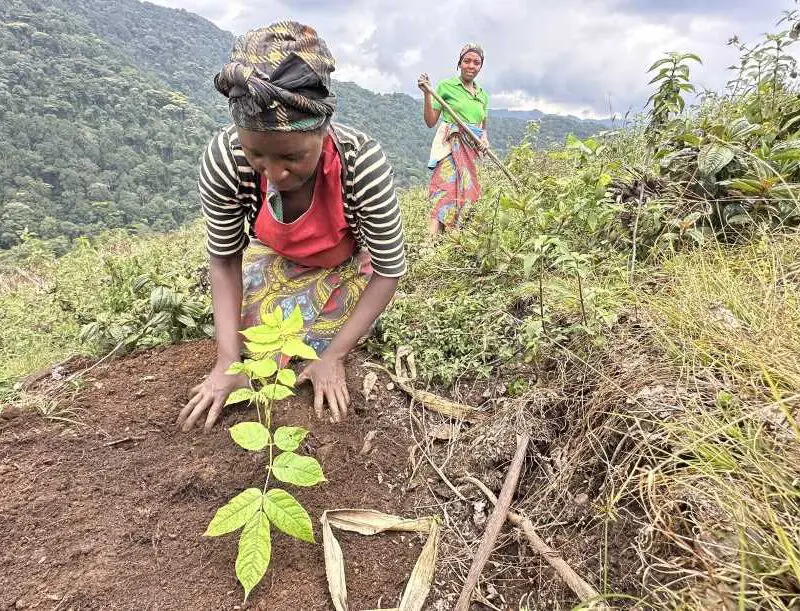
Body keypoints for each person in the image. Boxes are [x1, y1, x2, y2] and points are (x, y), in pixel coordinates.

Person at [177, 21, 406, 432]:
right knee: (254, 338)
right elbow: (225, 258)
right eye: (257, 154)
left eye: (293, 157)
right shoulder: (226, 160)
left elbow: (390, 270)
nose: (276, 172)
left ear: (322, 130)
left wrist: (333, 356)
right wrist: (227, 361)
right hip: (276, 259)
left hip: (349, 265)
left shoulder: (361, 164)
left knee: (315, 341)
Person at [418, 43, 490, 235]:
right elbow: (430, 121)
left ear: (480, 67)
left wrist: (485, 139)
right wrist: (427, 94)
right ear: (459, 63)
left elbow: (483, 127)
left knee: (465, 196)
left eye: (476, 62)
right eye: (467, 61)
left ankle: (453, 240)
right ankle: (429, 244)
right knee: (445, 191)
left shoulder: (483, 95)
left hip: (471, 153)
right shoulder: (446, 87)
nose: (471, 66)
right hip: (451, 147)